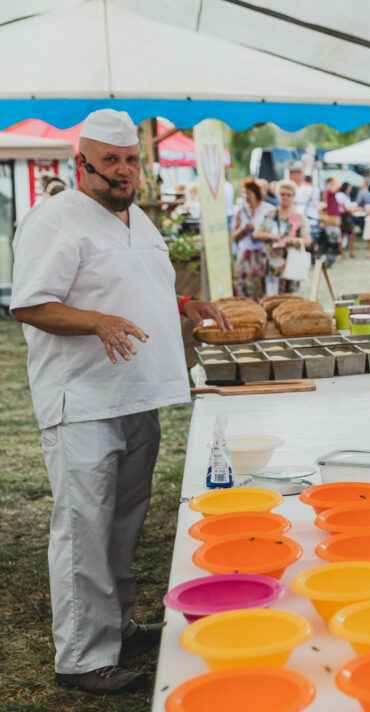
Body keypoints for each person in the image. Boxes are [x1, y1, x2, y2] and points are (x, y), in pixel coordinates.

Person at [10, 109, 230, 693]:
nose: (123, 171)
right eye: (110, 160)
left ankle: (121, 624)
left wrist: (187, 305)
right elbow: (30, 304)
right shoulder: (54, 218)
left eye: (131, 160)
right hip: (81, 401)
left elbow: (137, 282)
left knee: (123, 526)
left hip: (139, 396)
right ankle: (81, 657)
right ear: (80, 163)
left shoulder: (138, 219)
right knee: (83, 528)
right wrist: (95, 321)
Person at [259, 179, 312, 295]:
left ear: (293, 197)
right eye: (282, 194)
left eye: (289, 195)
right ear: (277, 195)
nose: (285, 197)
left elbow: (307, 240)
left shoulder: (298, 218)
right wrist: (271, 236)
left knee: (291, 298)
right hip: (272, 264)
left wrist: (292, 240)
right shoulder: (269, 215)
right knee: (271, 296)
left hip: (291, 264)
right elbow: (256, 234)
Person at [230, 178, 272, 300]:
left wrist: (259, 234)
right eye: (244, 193)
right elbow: (234, 235)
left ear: (256, 193)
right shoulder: (240, 211)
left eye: (248, 193)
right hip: (244, 252)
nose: (246, 196)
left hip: (261, 253)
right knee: (242, 285)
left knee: (259, 287)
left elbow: (273, 234)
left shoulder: (268, 209)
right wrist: (244, 229)